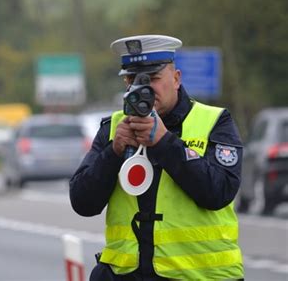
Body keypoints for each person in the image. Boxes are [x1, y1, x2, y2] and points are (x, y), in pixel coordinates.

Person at [70, 35, 244, 280]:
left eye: (152, 79)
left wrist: (165, 142)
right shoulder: (113, 127)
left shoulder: (214, 121)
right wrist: (113, 152)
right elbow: (82, 203)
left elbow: (220, 192)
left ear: (176, 79)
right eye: (132, 80)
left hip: (198, 276)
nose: (143, 89)